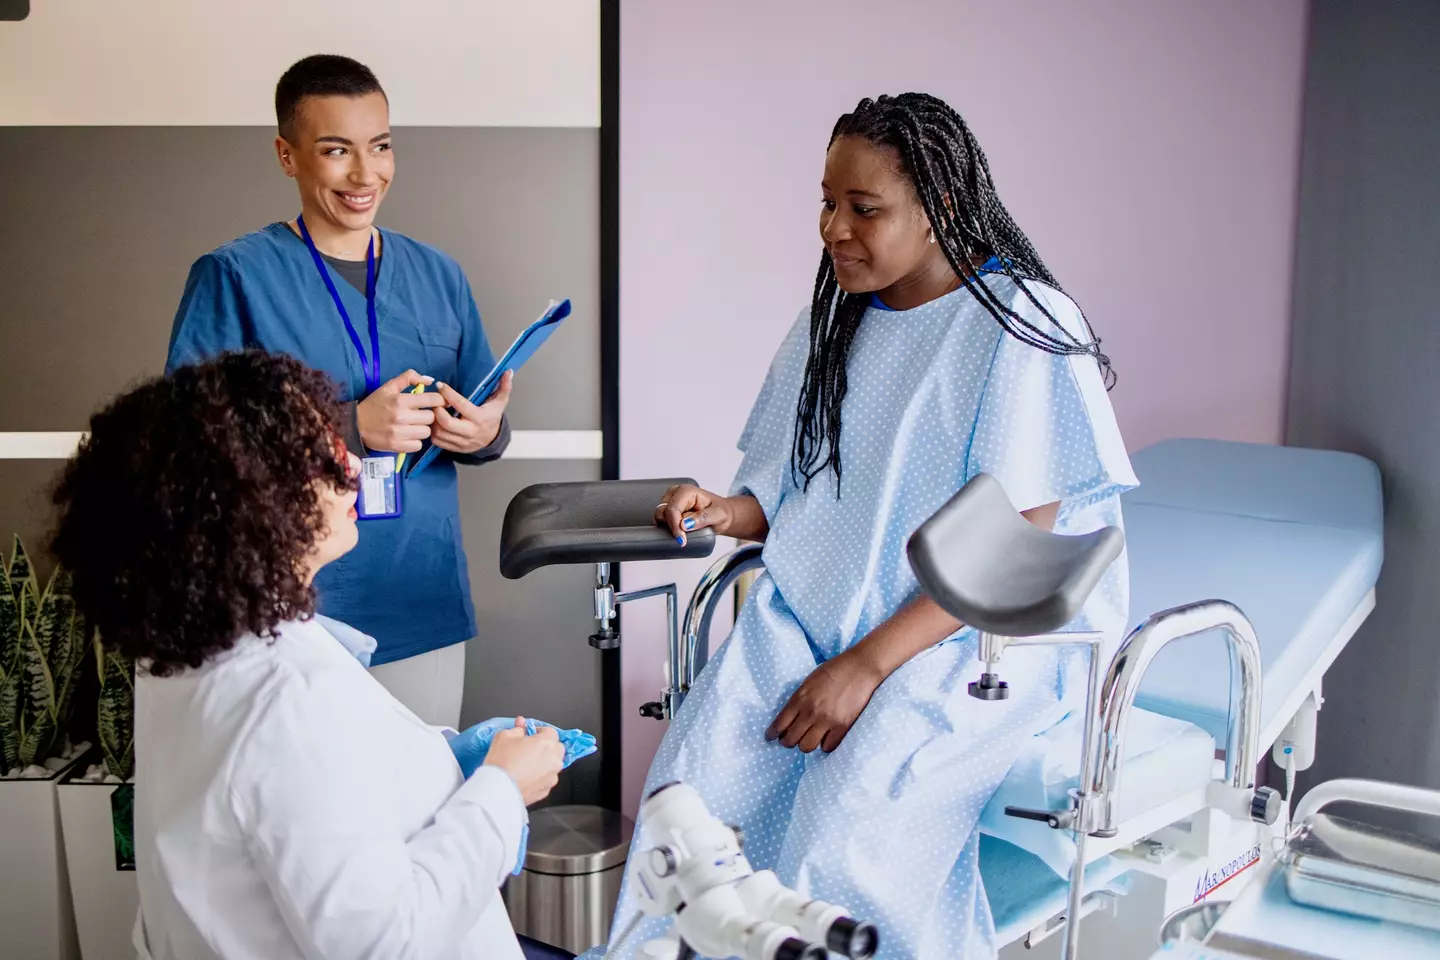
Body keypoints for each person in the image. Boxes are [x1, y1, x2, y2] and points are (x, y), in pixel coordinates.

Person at [595, 94, 1137, 959]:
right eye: (826, 201)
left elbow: (1015, 557)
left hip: (973, 642)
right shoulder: (834, 320)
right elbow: (786, 490)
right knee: (688, 813)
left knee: (838, 851)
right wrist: (721, 509)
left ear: (942, 211)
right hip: (813, 619)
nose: (833, 228)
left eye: (864, 209)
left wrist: (865, 667)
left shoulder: (1020, 328)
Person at [50, 350, 575, 960]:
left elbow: (281, 799)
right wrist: (501, 792)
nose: (353, 463)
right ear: (248, 505)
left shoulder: (183, 651)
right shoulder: (289, 696)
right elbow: (386, 942)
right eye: (319, 454)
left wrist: (440, 759)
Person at [165, 54, 509, 727]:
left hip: (421, 603)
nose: (365, 174)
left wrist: (485, 434)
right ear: (286, 155)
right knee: (304, 823)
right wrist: (349, 428)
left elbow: (486, 415)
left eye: (380, 147)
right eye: (336, 150)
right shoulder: (234, 276)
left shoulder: (440, 276)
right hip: (291, 615)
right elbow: (186, 442)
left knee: (424, 813)